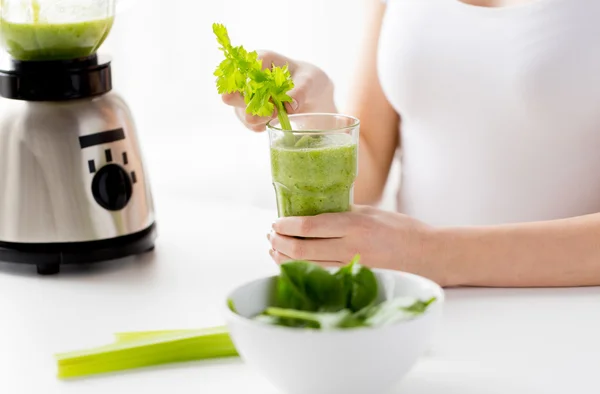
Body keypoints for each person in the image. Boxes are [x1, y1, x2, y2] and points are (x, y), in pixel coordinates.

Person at [221, 0, 600, 288]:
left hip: (565, 311)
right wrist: (316, 111)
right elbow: (366, 172)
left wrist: (431, 252)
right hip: (416, 301)